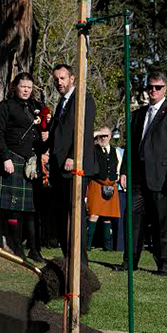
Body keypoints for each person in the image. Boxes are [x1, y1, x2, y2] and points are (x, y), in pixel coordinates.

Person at [116, 71, 167, 275]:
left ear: (165, 88)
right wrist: (124, 171)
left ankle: (165, 265)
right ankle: (130, 262)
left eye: (157, 87)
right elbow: (129, 145)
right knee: (132, 221)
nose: (153, 91)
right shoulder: (138, 114)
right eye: (150, 87)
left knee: (161, 223)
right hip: (137, 178)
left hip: (162, 177)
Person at [47, 64, 98, 265]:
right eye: (56, 79)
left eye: (62, 78)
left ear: (72, 79)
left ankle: (81, 262)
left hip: (74, 167)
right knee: (61, 216)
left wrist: (73, 156)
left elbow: (83, 132)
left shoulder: (83, 99)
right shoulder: (62, 103)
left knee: (75, 216)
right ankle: (68, 258)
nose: (59, 82)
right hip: (59, 168)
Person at [0, 72, 45, 262]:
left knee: (31, 209)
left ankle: (34, 249)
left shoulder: (36, 108)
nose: (26, 90)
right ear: (15, 87)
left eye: (29, 87)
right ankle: (16, 248)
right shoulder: (5, 107)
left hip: (31, 162)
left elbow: (41, 132)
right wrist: (5, 158)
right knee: (14, 209)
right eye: (23, 86)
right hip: (13, 159)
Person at [86, 127, 121, 251]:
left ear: (110, 136)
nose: (104, 138)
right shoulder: (92, 149)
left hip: (111, 185)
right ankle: (88, 245)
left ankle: (107, 246)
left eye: (106, 135)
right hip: (96, 183)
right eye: (102, 135)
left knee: (108, 216)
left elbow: (119, 166)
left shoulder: (115, 151)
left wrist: (118, 178)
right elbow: (85, 141)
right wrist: (96, 133)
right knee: (93, 215)